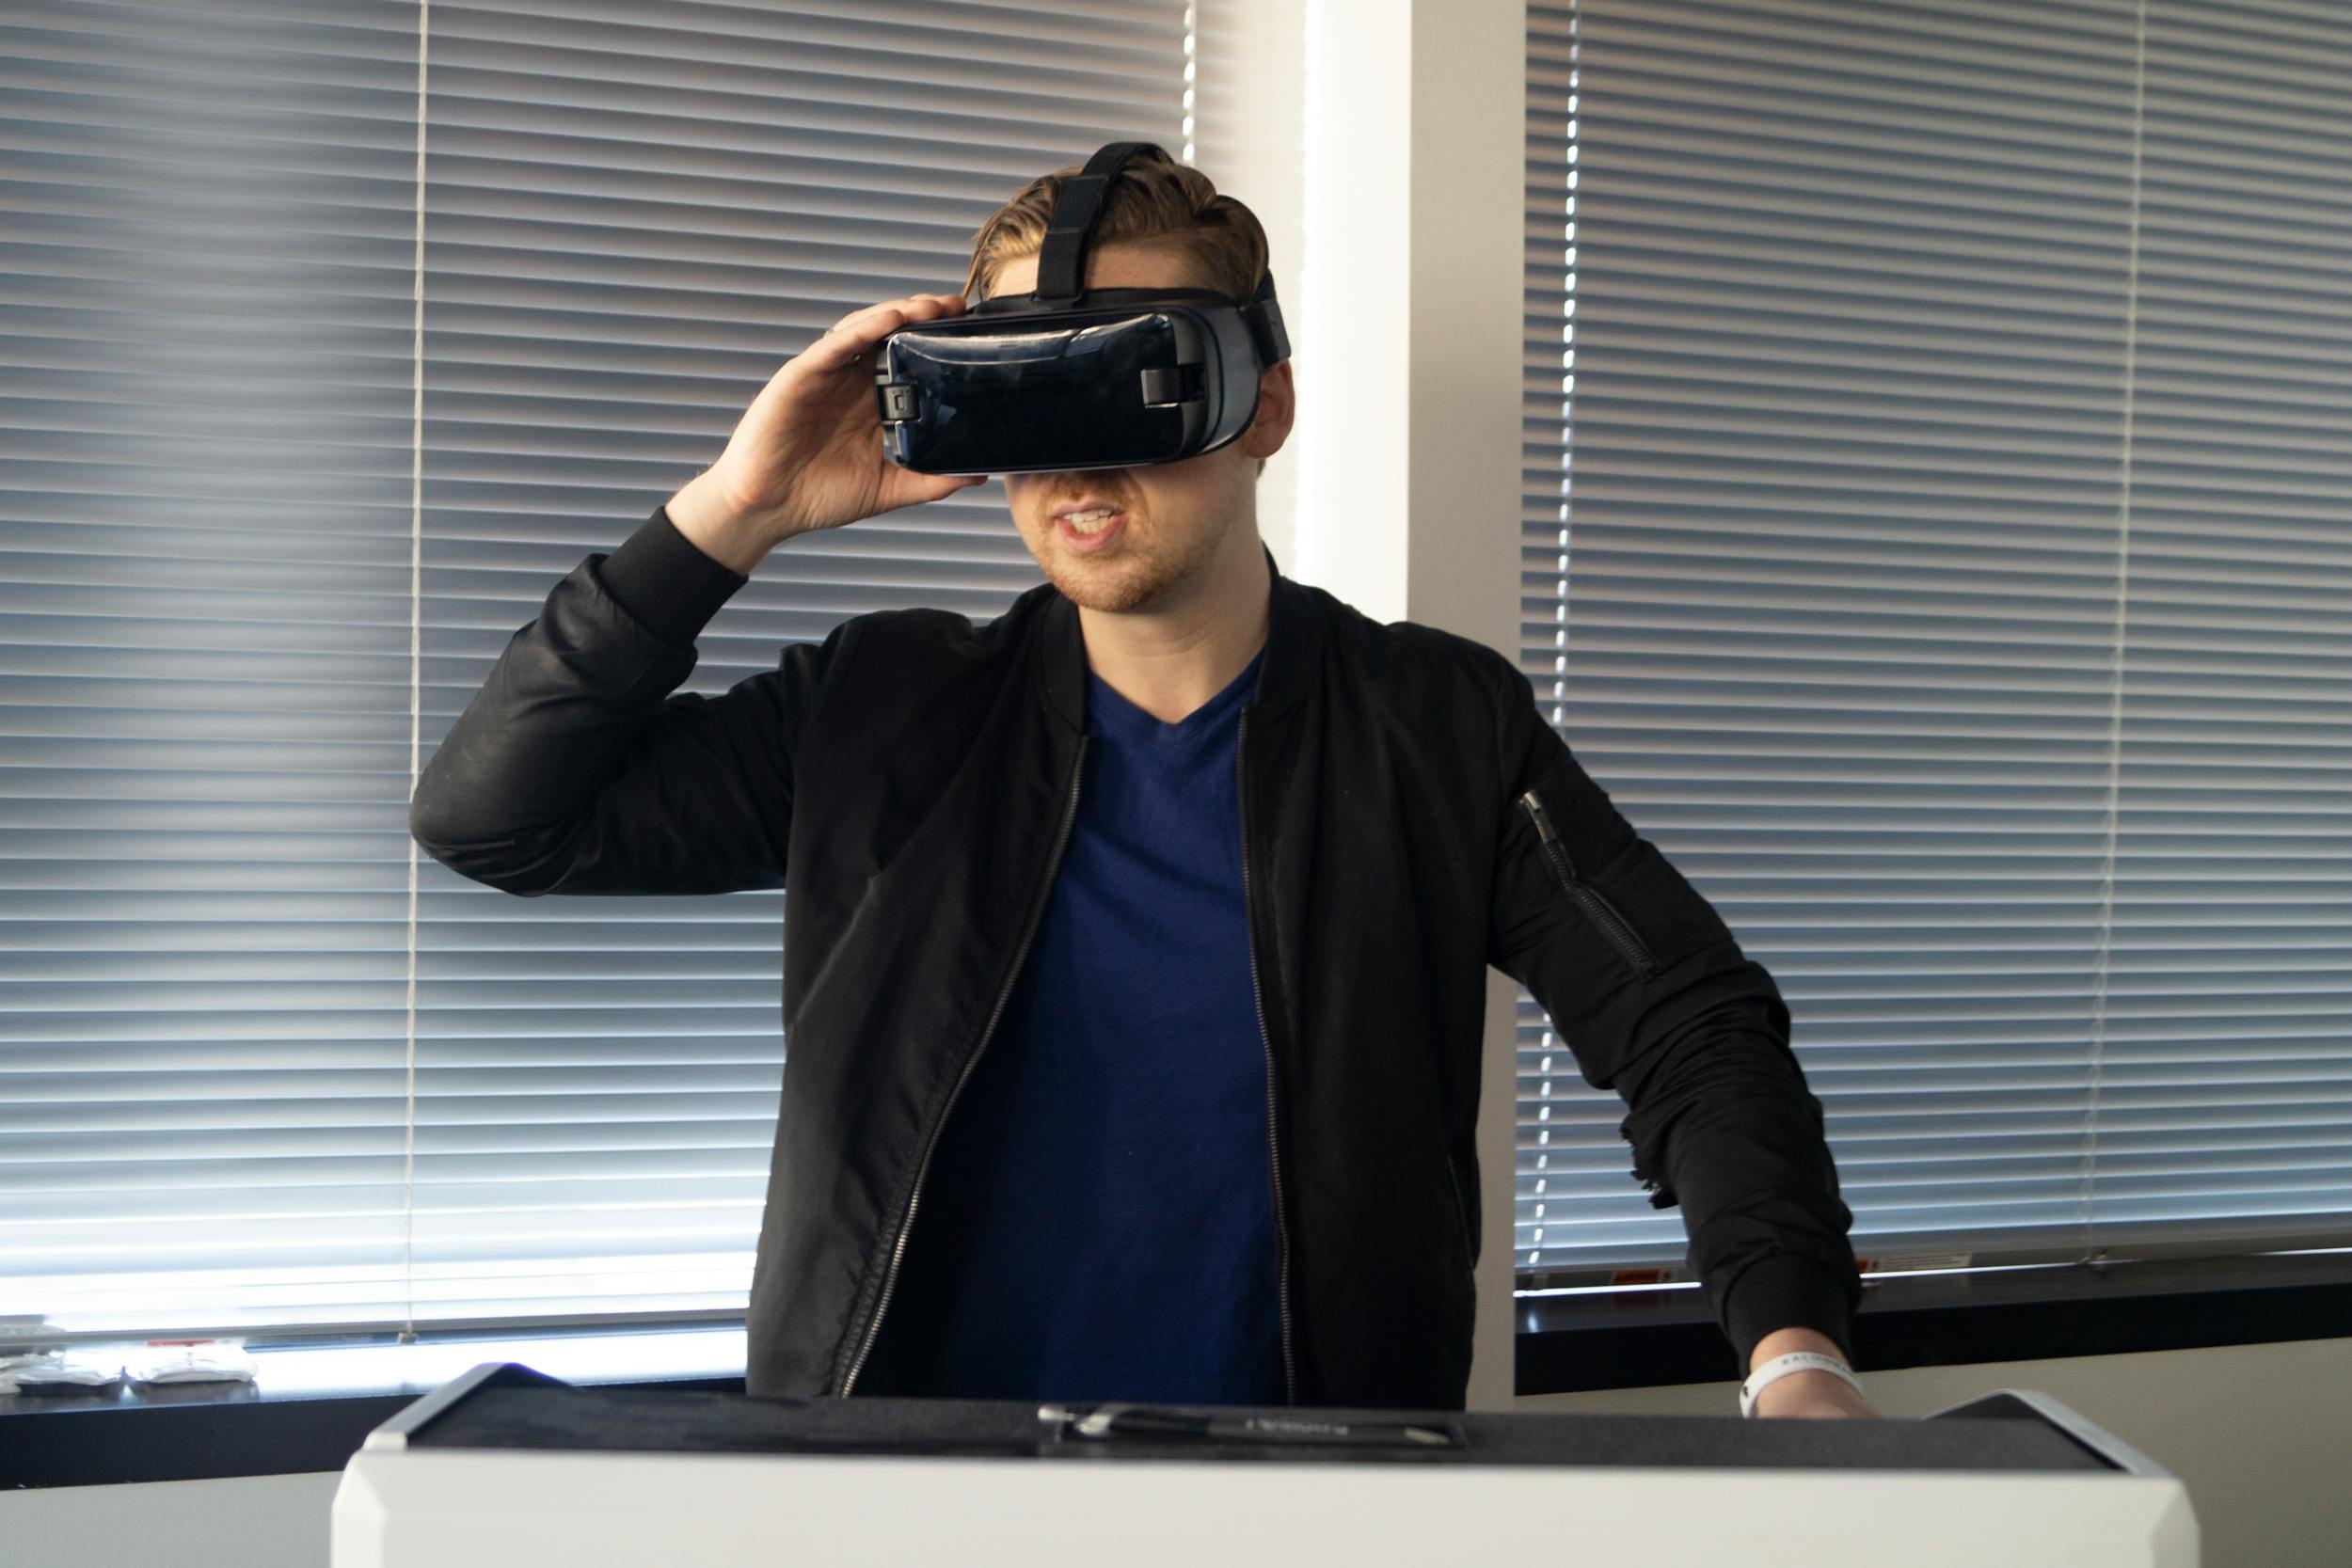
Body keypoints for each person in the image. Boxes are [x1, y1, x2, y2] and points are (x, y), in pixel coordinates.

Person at [408, 149, 1872, 1419]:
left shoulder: (1433, 729)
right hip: (889, 1495)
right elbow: (499, 818)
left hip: (1305, 1499)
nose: (1079, 464)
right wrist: (737, 510)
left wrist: (1796, 1354)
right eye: (1027, 400)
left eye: (1139, 382)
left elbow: (1690, 1030)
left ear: (1266, 407)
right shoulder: (877, 710)